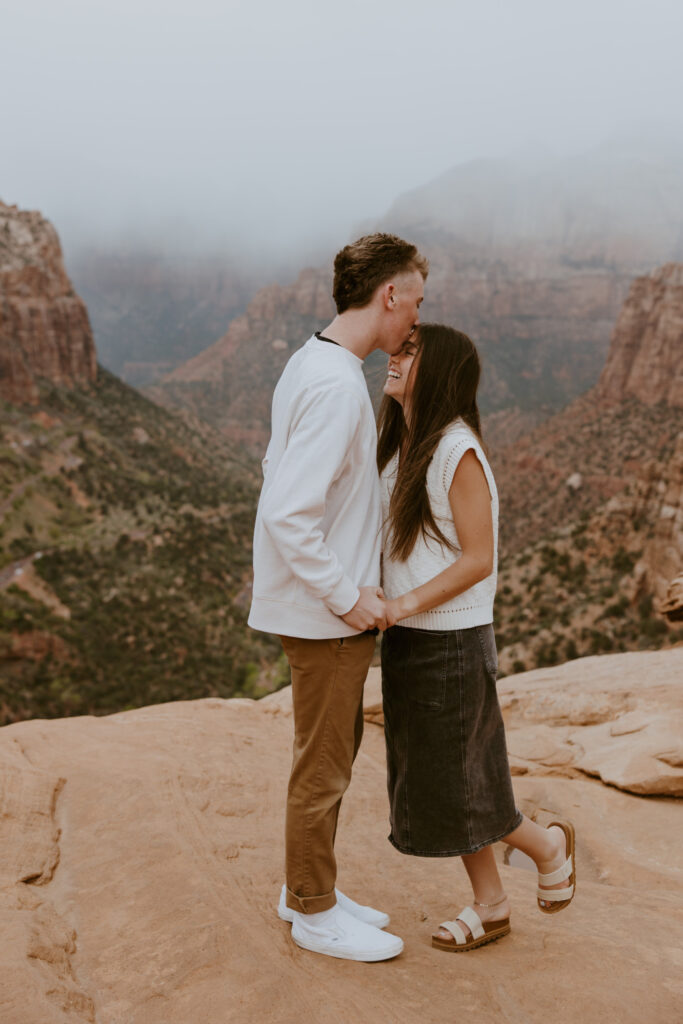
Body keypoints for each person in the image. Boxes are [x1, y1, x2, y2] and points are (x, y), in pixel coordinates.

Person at [248, 233, 428, 962]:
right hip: (326, 616)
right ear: (389, 294)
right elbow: (287, 509)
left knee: (331, 754)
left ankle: (307, 889)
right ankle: (313, 912)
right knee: (322, 766)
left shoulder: (314, 362)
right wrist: (345, 595)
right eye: (415, 297)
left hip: (319, 611)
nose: (416, 314)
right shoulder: (334, 385)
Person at [378, 323, 576, 952]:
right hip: (410, 638)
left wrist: (403, 601)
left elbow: (478, 557)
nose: (393, 356)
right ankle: (497, 897)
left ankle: (544, 849)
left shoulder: (455, 451)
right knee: (443, 783)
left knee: (461, 783)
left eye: (409, 352)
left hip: (451, 642)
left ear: (437, 372)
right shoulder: (403, 441)